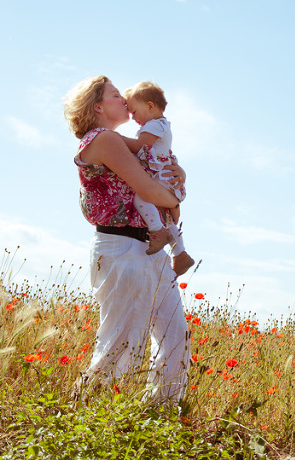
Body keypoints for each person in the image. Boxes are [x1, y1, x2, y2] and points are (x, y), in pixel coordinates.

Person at [64, 75, 190, 404]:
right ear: (97, 106)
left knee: (175, 337)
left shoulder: (130, 143)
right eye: (115, 95)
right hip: (122, 248)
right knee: (120, 342)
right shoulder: (103, 139)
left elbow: (162, 174)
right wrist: (175, 199)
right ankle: (88, 412)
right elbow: (147, 189)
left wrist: (179, 175)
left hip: (150, 247)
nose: (124, 100)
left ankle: (161, 411)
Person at [122, 81, 194, 276]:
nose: (133, 117)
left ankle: (156, 231)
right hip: (164, 177)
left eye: (134, 112)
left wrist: (116, 138)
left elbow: (139, 146)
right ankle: (180, 253)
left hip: (159, 176)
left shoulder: (154, 125)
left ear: (150, 106)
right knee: (166, 217)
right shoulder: (161, 124)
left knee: (140, 198)